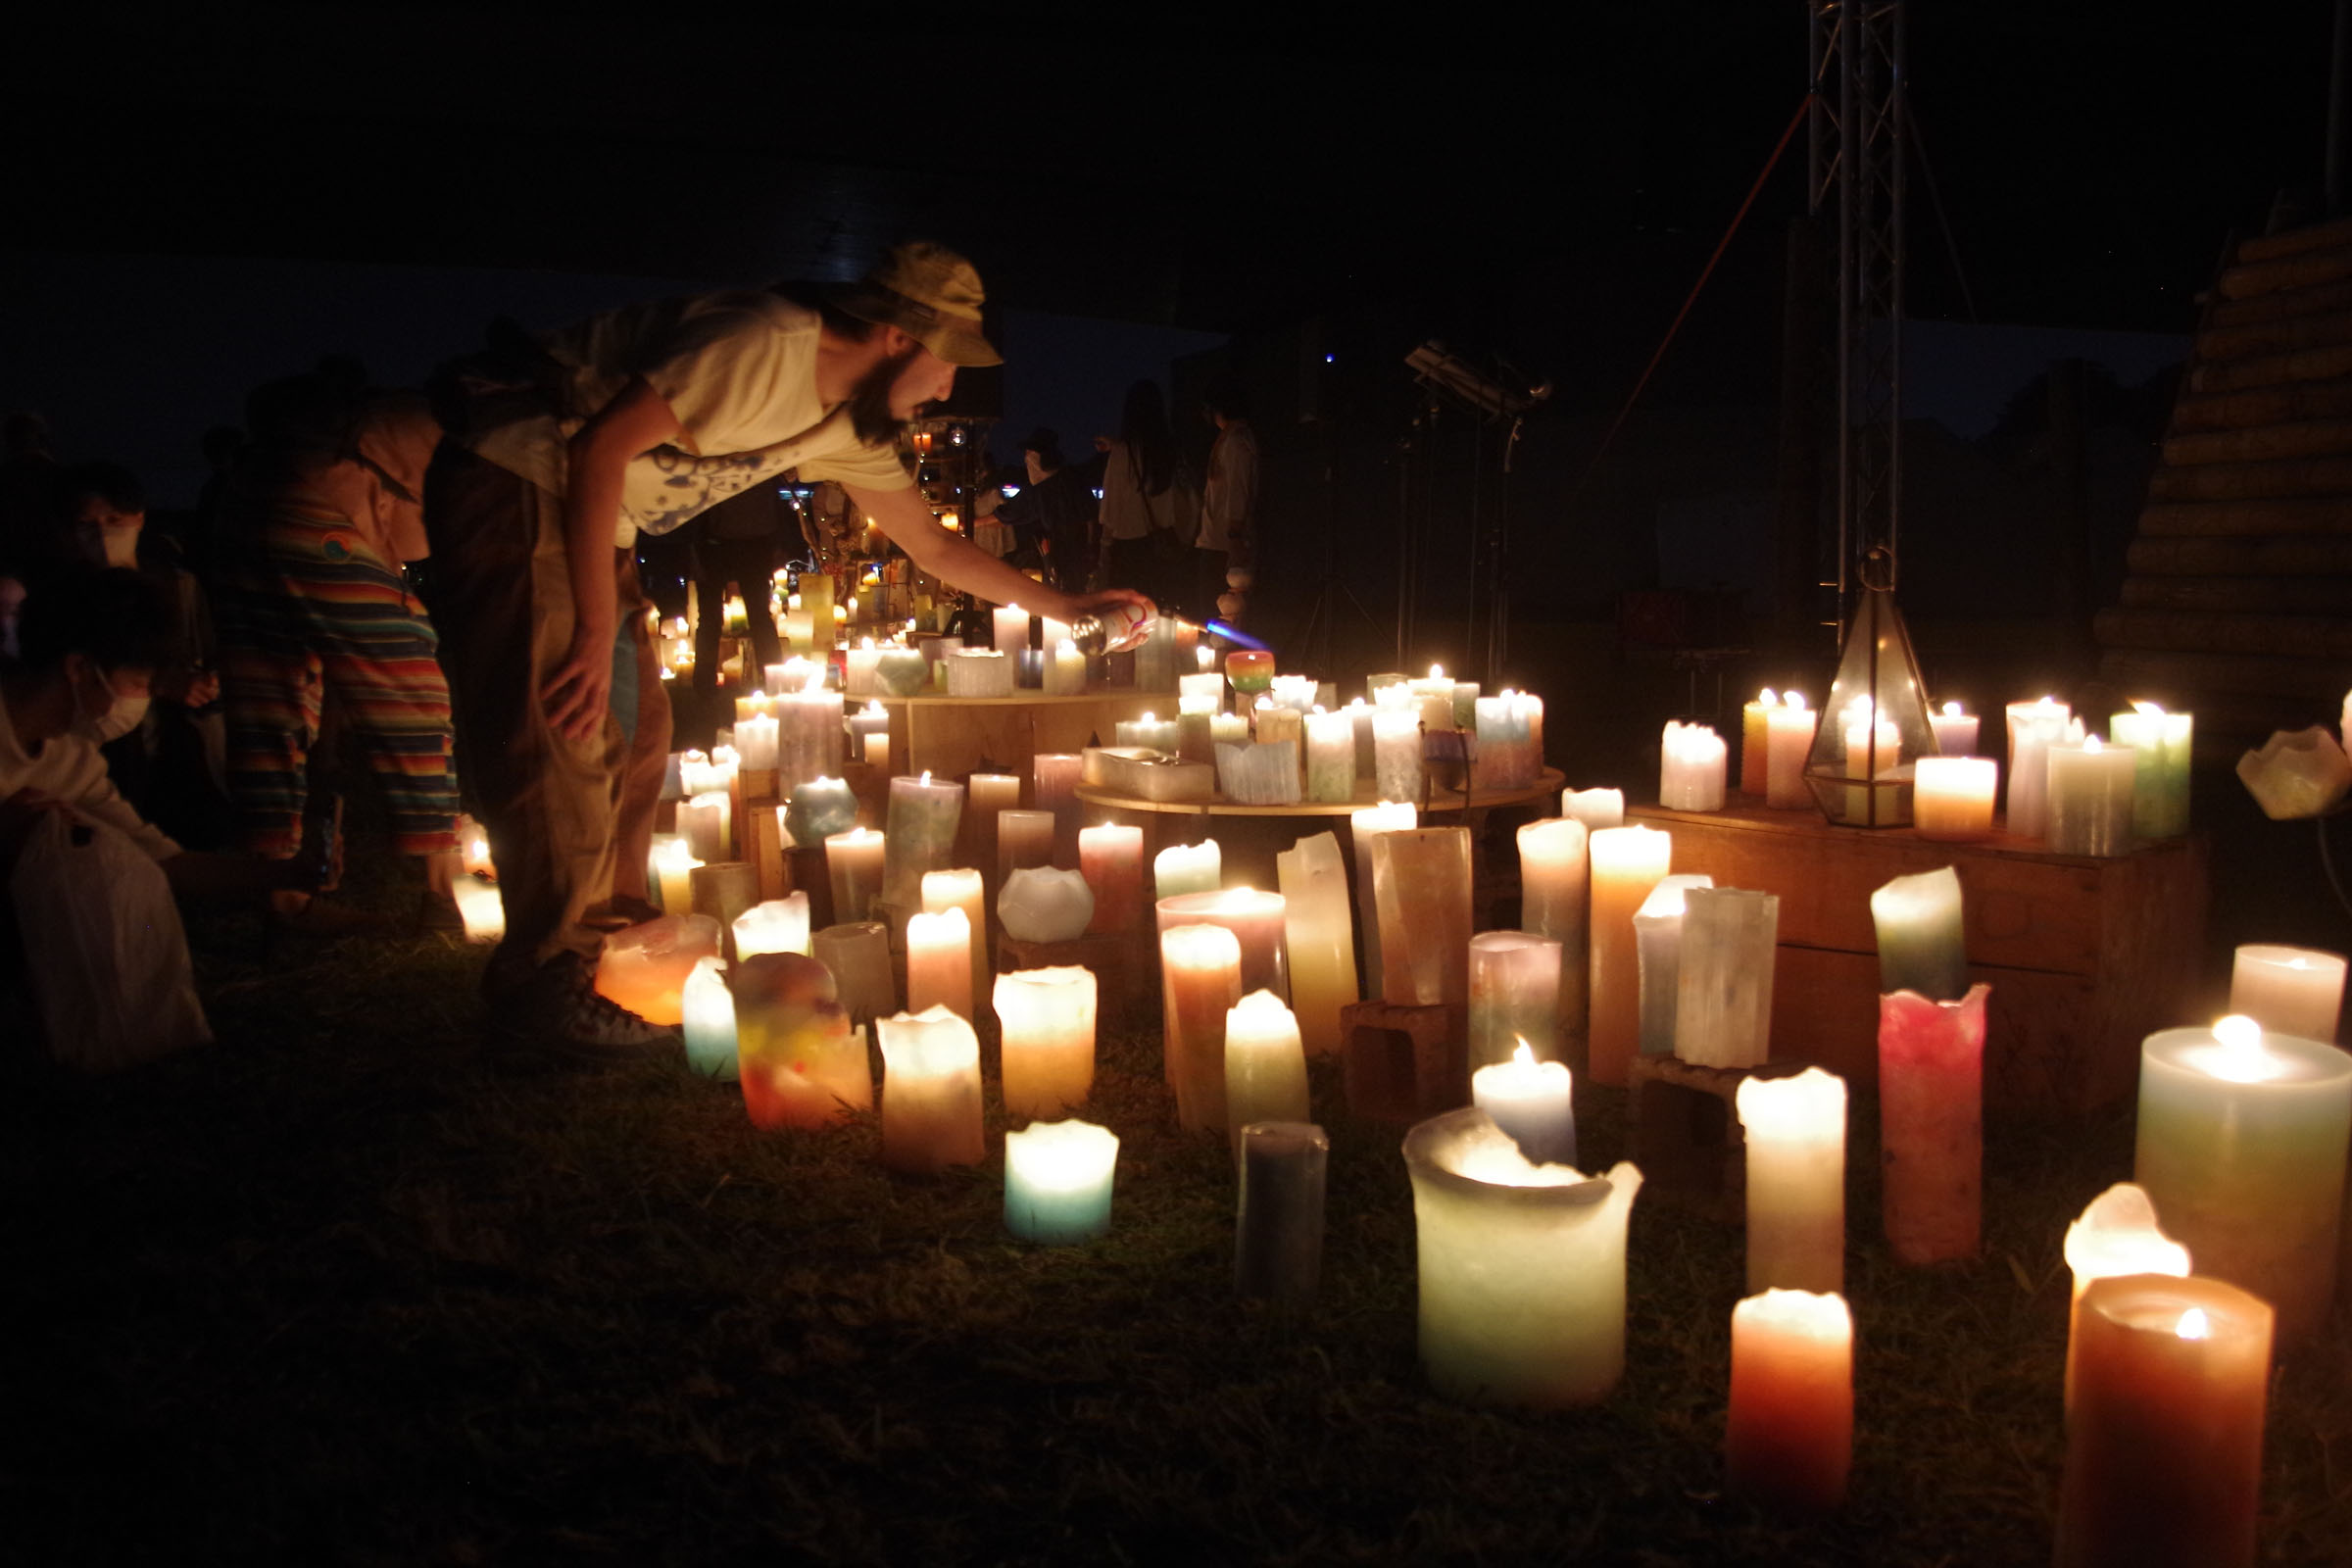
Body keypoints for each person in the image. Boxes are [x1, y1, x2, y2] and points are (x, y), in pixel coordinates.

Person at [423, 241, 1152, 1050]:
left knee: (642, 735)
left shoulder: (845, 424)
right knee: (570, 718)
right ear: (899, 338)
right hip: (522, 481)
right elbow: (600, 448)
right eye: (949, 365)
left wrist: (1070, 605)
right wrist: (594, 631)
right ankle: (543, 979)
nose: (951, 388)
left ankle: (610, 948)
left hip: (596, 521)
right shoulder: (768, 345)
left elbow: (936, 549)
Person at [0, 565, 315, 1068]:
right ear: (79, 669)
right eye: (136, 681)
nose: (140, 700)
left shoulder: (71, 762)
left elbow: (163, 861)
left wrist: (290, 873)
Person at [215, 373, 464, 932]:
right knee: (407, 684)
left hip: (245, 506)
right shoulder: (441, 423)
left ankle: (279, 886)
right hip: (319, 518)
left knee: (269, 697)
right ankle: (442, 892)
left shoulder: (386, 416)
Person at [63, 462, 235, 849]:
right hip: (108, 746)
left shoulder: (176, 586)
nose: (103, 534)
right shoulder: (68, 596)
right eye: (88, 524)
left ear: (139, 518)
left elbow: (205, 650)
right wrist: (159, 682)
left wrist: (203, 683)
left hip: (175, 739)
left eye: (114, 519)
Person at [688, 481, 786, 700]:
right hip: (733, 539)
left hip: (736, 539)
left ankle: (704, 686)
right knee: (756, 617)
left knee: (722, 618)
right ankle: (774, 681)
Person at [1095, 380, 1186, 606]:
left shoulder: (1123, 452)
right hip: (1162, 548)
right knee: (1158, 613)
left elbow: (1110, 511)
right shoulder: (1170, 451)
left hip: (1129, 550)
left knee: (1127, 619)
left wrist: (1104, 553)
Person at [994, 429, 1096, 592]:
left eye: (1029, 453)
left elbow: (1009, 513)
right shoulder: (1070, 478)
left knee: (1065, 589)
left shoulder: (1046, 487)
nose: (1026, 459)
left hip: (1068, 547)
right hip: (1067, 546)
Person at [1196, 383, 1257, 622]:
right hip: (1219, 540)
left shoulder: (1235, 441)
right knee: (1219, 614)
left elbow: (1237, 490)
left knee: (1222, 616)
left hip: (1224, 543)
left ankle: (1226, 660)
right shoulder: (1230, 439)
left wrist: (1234, 536)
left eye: (1206, 408)